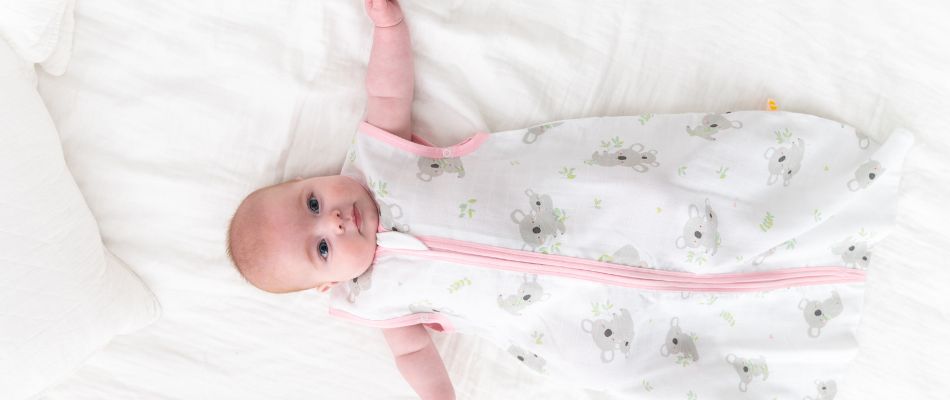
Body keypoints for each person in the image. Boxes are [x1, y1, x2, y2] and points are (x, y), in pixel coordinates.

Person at [227, 1, 913, 398]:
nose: (337, 220)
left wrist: (387, 30)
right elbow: (413, 356)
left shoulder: (381, 158)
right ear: (328, 284)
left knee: (671, 200)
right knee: (648, 354)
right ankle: (785, 330)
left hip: (584, 202)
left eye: (314, 202)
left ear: (315, 177)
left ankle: (810, 210)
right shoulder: (374, 304)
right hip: (562, 318)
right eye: (321, 247)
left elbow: (386, 92)